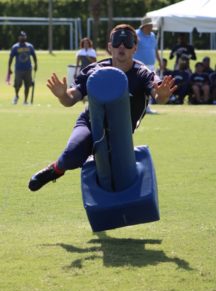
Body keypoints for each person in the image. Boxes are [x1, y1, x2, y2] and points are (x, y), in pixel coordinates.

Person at [28, 24, 176, 192]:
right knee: (72, 155)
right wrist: (62, 94)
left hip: (121, 132)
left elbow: (159, 96)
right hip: (91, 123)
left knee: (118, 178)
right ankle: (55, 169)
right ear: (109, 47)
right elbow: (70, 100)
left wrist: (163, 94)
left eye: (127, 42)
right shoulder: (94, 70)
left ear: (135, 48)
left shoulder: (142, 73)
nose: (121, 46)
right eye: (117, 42)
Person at [133, 16, 162, 112]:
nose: (151, 27)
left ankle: (146, 107)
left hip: (150, 66)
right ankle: (138, 106)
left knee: (149, 86)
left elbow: (155, 49)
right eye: (149, 25)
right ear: (144, 26)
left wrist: (160, 61)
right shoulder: (136, 34)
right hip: (139, 66)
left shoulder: (152, 35)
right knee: (138, 87)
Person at [8, 31, 37, 105]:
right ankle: (16, 96)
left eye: (24, 36)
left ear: (26, 37)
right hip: (18, 69)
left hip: (28, 69)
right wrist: (9, 68)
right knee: (17, 84)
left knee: (27, 85)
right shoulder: (15, 47)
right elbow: (11, 57)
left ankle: (25, 100)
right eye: (21, 36)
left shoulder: (29, 46)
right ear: (19, 37)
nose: (23, 38)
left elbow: (34, 55)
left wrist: (36, 64)